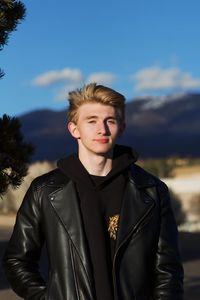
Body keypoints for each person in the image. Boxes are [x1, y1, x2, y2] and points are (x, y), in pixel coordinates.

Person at [3, 83, 184, 300]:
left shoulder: (151, 191)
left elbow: (168, 270)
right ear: (74, 129)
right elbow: (17, 260)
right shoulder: (45, 190)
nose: (102, 129)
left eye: (110, 121)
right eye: (92, 121)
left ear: (122, 127)